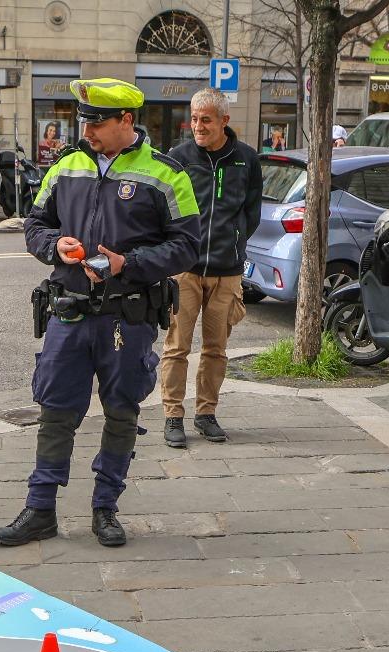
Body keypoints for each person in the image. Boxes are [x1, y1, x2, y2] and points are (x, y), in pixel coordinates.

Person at [0, 78, 199, 550]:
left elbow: (187, 245)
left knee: (122, 412)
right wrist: (54, 246)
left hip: (127, 318)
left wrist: (131, 264)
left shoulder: (167, 175)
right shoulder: (67, 166)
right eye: (83, 121)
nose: (87, 131)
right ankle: (40, 508)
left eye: (98, 122)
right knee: (56, 411)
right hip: (70, 312)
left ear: (127, 121)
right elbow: (36, 224)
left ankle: (106, 507)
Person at [161, 89, 261, 449]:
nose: (198, 126)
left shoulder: (247, 159)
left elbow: (251, 214)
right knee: (176, 347)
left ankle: (206, 413)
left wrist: (234, 242)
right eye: (194, 118)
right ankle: (173, 415)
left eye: (205, 119)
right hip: (184, 270)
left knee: (216, 349)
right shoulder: (178, 157)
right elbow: (165, 209)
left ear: (224, 121)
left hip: (226, 271)